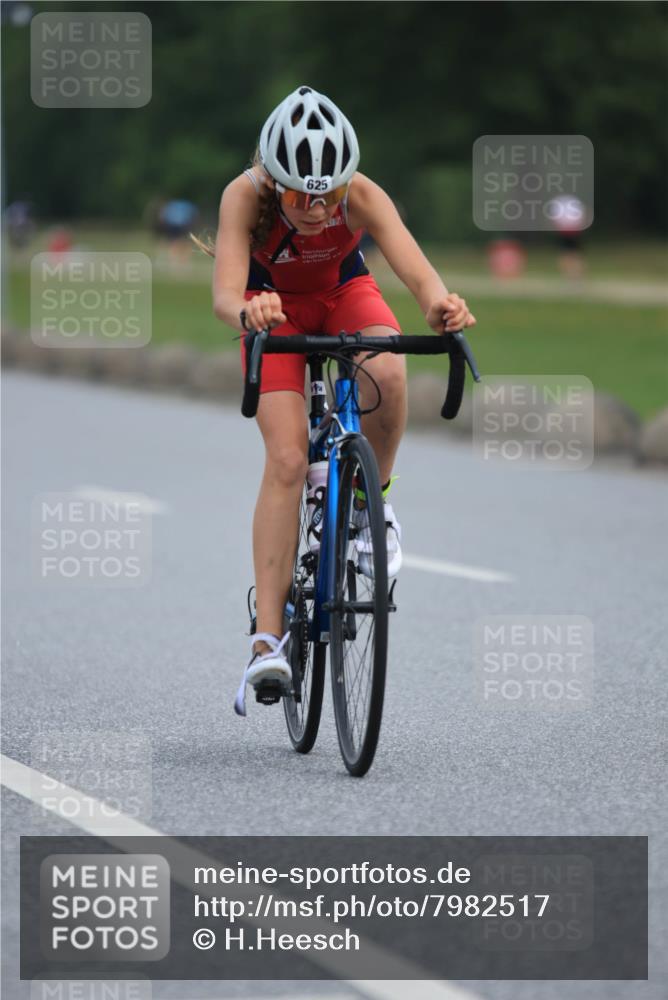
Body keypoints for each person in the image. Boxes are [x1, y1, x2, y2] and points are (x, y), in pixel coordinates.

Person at [195, 86, 476, 704]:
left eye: (328, 194)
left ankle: (369, 505)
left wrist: (440, 305)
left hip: (343, 293)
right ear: (274, 181)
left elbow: (417, 271)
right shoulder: (244, 197)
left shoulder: (361, 195)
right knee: (290, 459)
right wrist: (250, 309)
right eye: (301, 196)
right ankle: (267, 643)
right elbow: (224, 295)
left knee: (393, 372)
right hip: (272, 314)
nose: (319, 209)